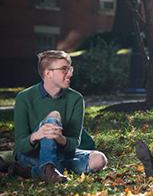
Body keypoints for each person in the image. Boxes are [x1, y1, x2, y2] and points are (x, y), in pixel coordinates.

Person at [12, 50, 108, 183]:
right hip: (31, 155)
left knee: (99, 159)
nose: (69, 74)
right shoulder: (24, 97)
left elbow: (75, 142)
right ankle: (48, 167)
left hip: (62, 153)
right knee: (54, 116)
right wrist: (37, 135)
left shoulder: (76, 99)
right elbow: (21, 146)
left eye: (70, 69)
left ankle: (34, 171)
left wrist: (60, 138)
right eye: (64, 69)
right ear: (48, 73)